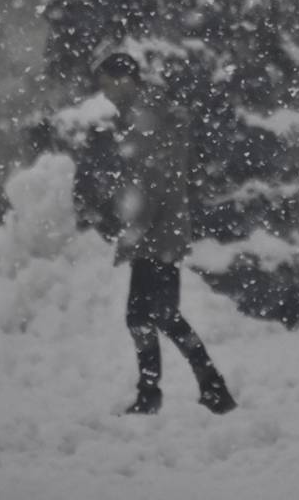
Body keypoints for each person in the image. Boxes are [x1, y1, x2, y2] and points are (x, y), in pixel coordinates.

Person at [74, 52, 236, 415]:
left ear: (125, 79)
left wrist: (136, 226)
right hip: (161, 231)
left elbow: (151, 181)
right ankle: (169, 391)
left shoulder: (147, 117)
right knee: (148, 315)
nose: (107, 94)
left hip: (157, 234)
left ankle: (203, 388)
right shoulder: (146, 113)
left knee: (157, 315)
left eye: (108, 85)